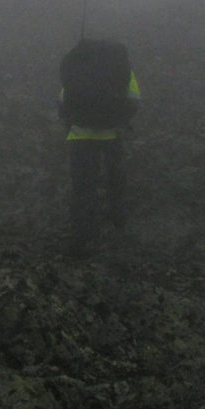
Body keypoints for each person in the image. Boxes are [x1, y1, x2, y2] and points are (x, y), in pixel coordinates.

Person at [58, 39, 141, 251]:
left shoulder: (77, 66)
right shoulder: (120, 65)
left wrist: (71, 119)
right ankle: (118, 224)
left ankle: (83, 235)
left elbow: (64, 100)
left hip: (80, 135)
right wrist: (120, 119)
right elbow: (134, 99)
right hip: (112, 134)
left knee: (83, 186)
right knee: (115, 180)